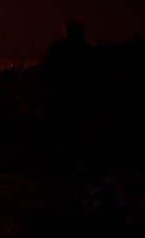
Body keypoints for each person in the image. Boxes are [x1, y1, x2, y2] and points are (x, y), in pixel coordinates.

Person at [40, 17, 105, 175]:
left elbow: (46, 71)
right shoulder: (87, 50)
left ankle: (55, 171)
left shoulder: (58, 48)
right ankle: (76, 170)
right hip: (80, 100)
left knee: (53, 135)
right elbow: (96, 75)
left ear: (66, 31)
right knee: (76, 137)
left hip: (60, 98)